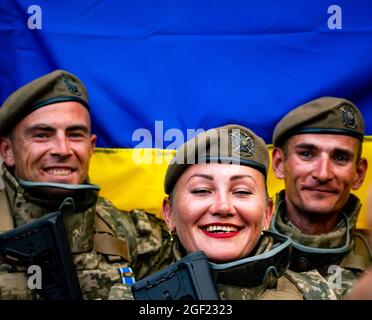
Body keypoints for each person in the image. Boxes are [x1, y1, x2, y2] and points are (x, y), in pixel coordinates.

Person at [0, 70, 172, 300]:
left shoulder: (139, 236)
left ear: (91, 148)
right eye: (42, 135)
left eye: (75, 135)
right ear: (7, 151)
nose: (62, 149)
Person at [152, 124, 337, 300]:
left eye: (242, 191)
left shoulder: (317, 294)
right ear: (169, 214)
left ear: (267, 213)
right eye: (201, 190)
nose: (223, 207)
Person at [270, 97, 372, 298]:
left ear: (358, 174)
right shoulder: (243, 256)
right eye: (307, 154)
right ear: (280, 163)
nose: (323, 174)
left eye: (340, 158)